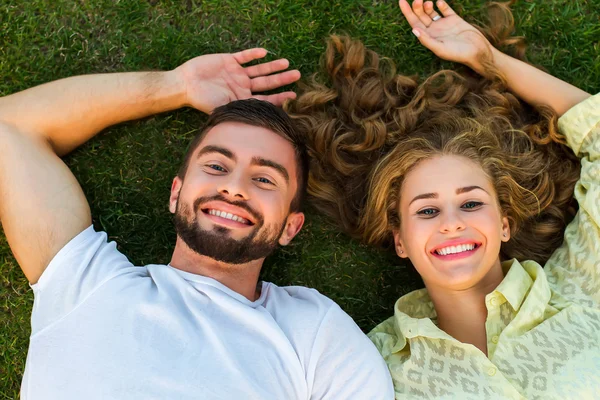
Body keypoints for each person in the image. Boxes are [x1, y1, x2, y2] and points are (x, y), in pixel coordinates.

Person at [0, 49, 393, 398]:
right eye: (217, 166)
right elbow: (9, 128)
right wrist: (177, 85)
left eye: (264, 179)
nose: (234, 188)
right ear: (176, 193)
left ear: (291, 226)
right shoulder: (85, 282)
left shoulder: (317, 334)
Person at [287, 0, 598, 398]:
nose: (451, 222)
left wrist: (491, 61)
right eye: (428, 210)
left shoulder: (581, 288)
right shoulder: (374, 364)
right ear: (400, 239)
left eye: (470, 203)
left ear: (504, 222)